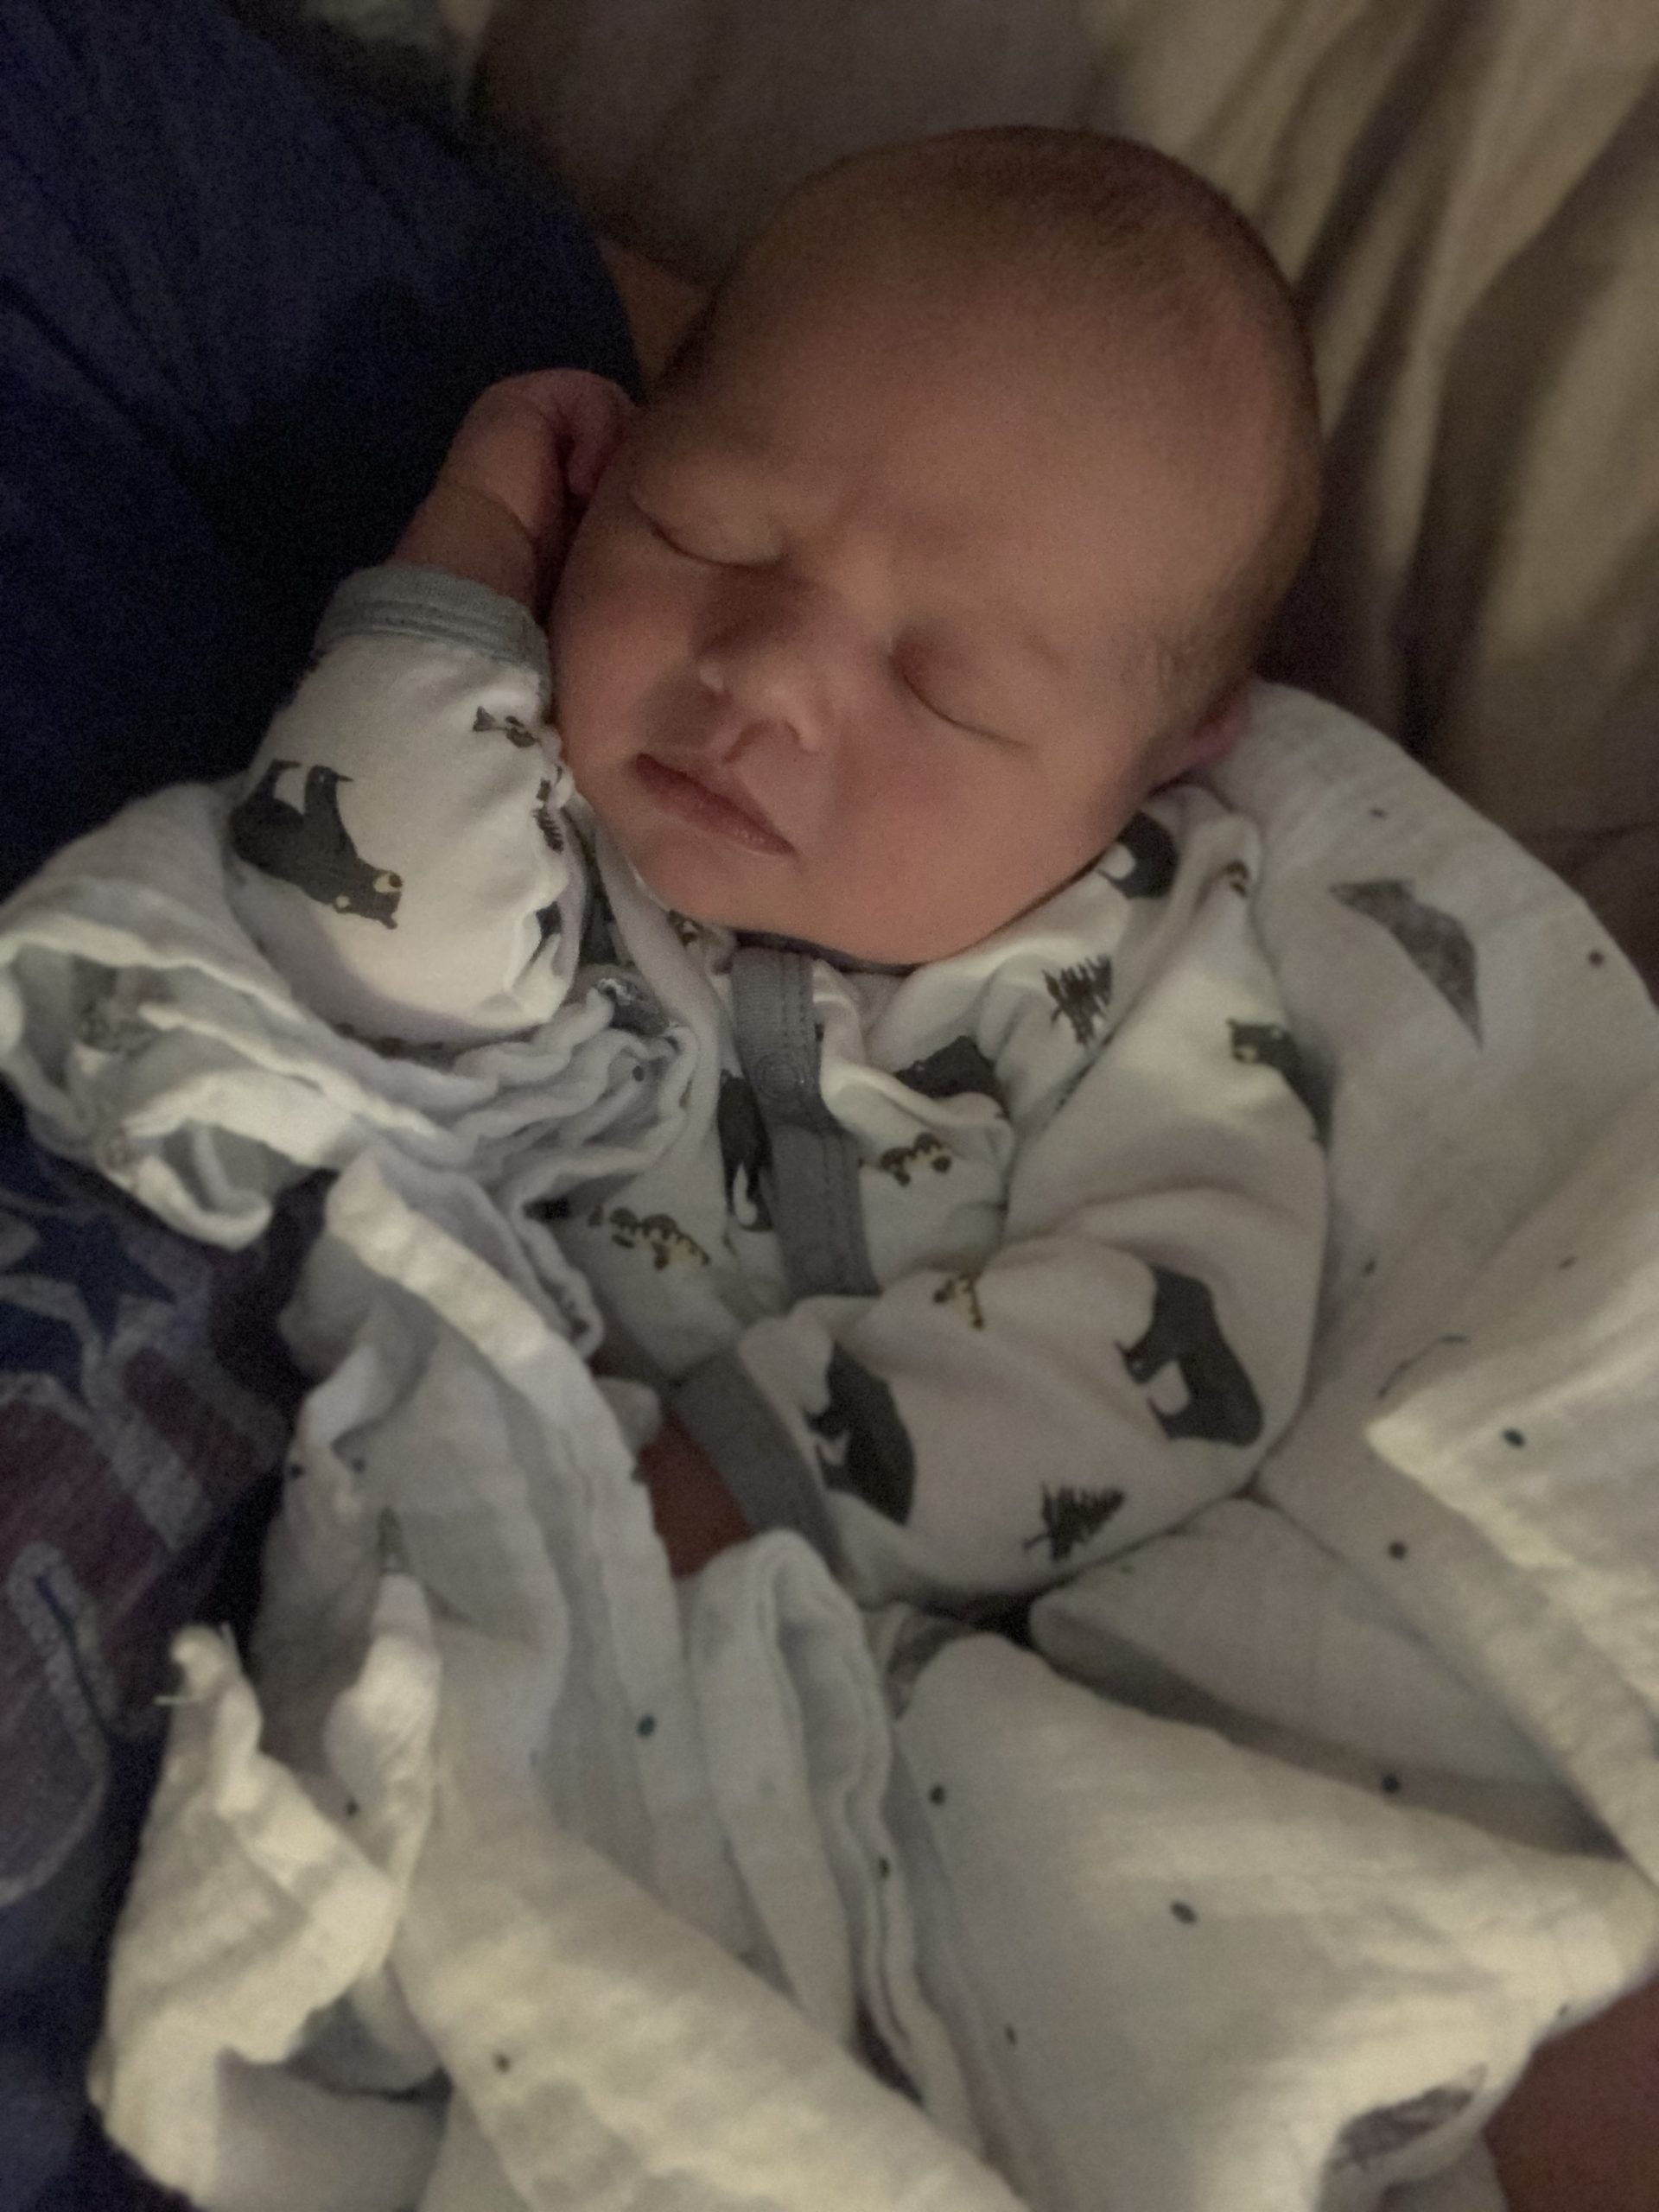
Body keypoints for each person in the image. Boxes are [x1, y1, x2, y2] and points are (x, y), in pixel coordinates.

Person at [224, 128, 1329, 1603]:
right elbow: (347, 939)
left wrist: (734, 1483)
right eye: (705, 533)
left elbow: (1185, 1315)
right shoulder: (514, 757)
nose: (763, 675)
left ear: (1169, 753)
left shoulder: (1132, 959)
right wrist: (469, 568)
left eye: (946, 686)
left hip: (785, 1613)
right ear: (613, 465)